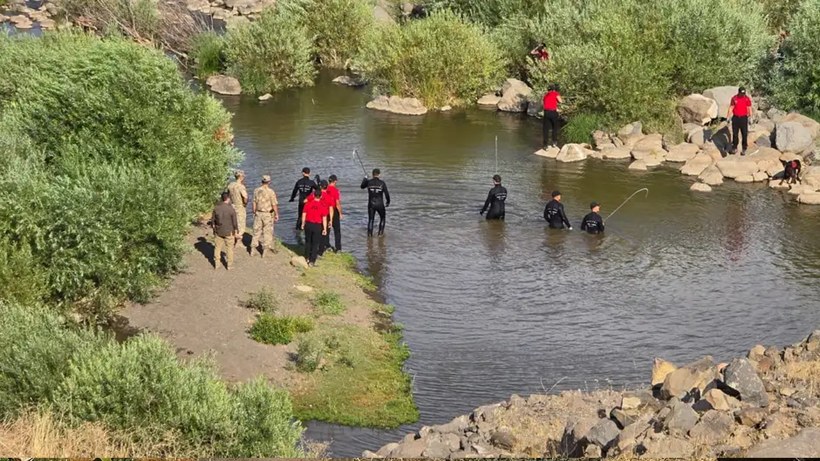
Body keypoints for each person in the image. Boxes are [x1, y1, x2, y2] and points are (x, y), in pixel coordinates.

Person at [252, 175, 279, 257]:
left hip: (258, 213)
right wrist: (276, 214)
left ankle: (253, 249)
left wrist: (254, 211)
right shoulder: (271, 192)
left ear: (262, 181)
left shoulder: (256, 190)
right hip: (267, 214)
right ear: (269, 182)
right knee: (267, 232)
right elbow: (274, 204)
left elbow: (254, 202)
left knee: (256, 231)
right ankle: (265, 251)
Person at [301, 189, 328, 267]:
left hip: (308, 224)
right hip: (317, 226)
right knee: (315, 243)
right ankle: (312, 261)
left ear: (313, 195)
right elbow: (324, 218)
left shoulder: (308, 204)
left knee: (308, 241)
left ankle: (307, 257)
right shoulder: (323, 206)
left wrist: (303, 223)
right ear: (321, 196)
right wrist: (325, 229)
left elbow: (304, 214)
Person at [212, 191, 238, 270]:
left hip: (219, 231)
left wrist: (214, 230)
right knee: (229, 248)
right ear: (228, 198)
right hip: (228, 231)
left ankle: (217, 264)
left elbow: (213, 221)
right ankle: (229, 265)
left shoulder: (216, 208)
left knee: (217, 248)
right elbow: (234, 222)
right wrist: (236, 231)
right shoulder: (231, 209)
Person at [361, 168, 390, 237]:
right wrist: (388, 201)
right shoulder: (382, 183)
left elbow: (362, 186)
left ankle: (369, 235)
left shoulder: (369, 182)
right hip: (380, 204)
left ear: (372, 174)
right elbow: (386, 194)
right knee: (382, 218)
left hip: (371, 204)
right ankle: (380, 234)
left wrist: (365, 179)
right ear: (379, 174)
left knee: (371, 220)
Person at [728, 87, 752, 155]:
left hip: (744, 118)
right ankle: (734, 147)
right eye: (741, 93)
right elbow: (731, 107)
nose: (742, 95)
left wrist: (750, 117)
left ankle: (744, 148)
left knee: (744, 134)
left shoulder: (746, 98)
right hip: (736, 118)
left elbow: (749, 108)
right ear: (738, 92)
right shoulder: (734, 98)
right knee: (735, 134)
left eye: (743, 93)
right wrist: (728, 116)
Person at [227, 170, 248, 246]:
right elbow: (245, 197)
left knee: (233, 222)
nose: (243, 177)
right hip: (239, 206)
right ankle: (238, 241)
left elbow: (227, 196)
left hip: (232, 206)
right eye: (243, 176)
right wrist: (245, 204)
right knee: (240, 223)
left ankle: (232, 238)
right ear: (240, 177)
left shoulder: (230, 185)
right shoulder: (241, 186)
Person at [542, 84, 562, 149]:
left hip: (546, 113)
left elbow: (546, 104)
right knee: (554, 128)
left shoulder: (545, 95)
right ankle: (554, 142)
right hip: (553, 112)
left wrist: (556, 108)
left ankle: (545, 145)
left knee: (545, 129)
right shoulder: (555, 93)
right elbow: (560, 101)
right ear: (554, 89)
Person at [327, 175, 343, 252]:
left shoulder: (325, 189)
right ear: (335, 181)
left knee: (327, 229)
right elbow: (337, 203)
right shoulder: (335, 190)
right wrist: (340, 213)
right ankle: (338, 248)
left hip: (326, 210)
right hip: (334, 210)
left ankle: (327, 245)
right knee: (337, 230)